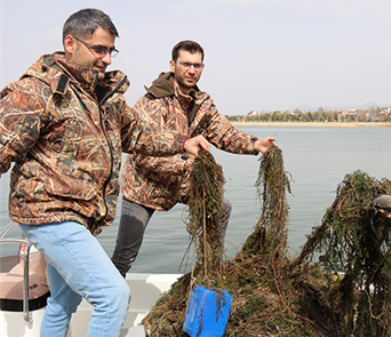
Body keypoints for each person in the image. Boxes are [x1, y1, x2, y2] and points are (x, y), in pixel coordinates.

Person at [0, 9, 209, 337]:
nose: (107, 59)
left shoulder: (105, 96)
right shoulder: (37, 91)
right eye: (99, 49)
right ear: (71, 43)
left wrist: (184, 141)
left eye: (111, 50)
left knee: (62, 303)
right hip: (48, 214)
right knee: (112, 296)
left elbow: (138, 134)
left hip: (80, 217)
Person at [111, 40, 275, 277]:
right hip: (143, 188)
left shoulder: (202, 103)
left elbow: (224, 133)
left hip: (181, 185)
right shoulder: (152, 102)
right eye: (185, 64)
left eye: (196, 65)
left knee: (221, 207)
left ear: (202, 68)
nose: (191, 70)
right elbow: (143, 155)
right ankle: (108, 303)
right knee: (125, 255)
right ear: (172, 64)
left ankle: (208, 271)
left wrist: (255, 144)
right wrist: (188, 164)